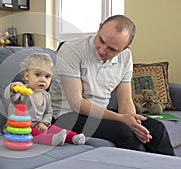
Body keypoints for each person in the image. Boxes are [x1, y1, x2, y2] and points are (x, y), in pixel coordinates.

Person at [49, 15, 175, 155]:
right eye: (101, 41)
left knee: (157, 129)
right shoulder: (72, 50)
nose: (102, 50)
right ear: (100, 27)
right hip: (67, 116)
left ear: (125, 48)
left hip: (99, 115)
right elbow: (77, 103)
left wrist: (133, 122)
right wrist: (122, 119)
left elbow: (125, 101)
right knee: (123, 132)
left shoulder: (125, 57)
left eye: (112, 49)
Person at [4, 53, 86, 146]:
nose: (43, 79)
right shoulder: (22, 92)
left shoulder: (46, 96)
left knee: (55, 128)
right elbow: (9, 96)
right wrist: (13, 88)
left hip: (39, 125)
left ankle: (73, 137)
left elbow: (48, 113)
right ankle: (52, 140)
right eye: (38, 74)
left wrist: (44, 123)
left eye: (47, 76)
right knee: (34, 133)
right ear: (27, 76)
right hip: (19, 127)